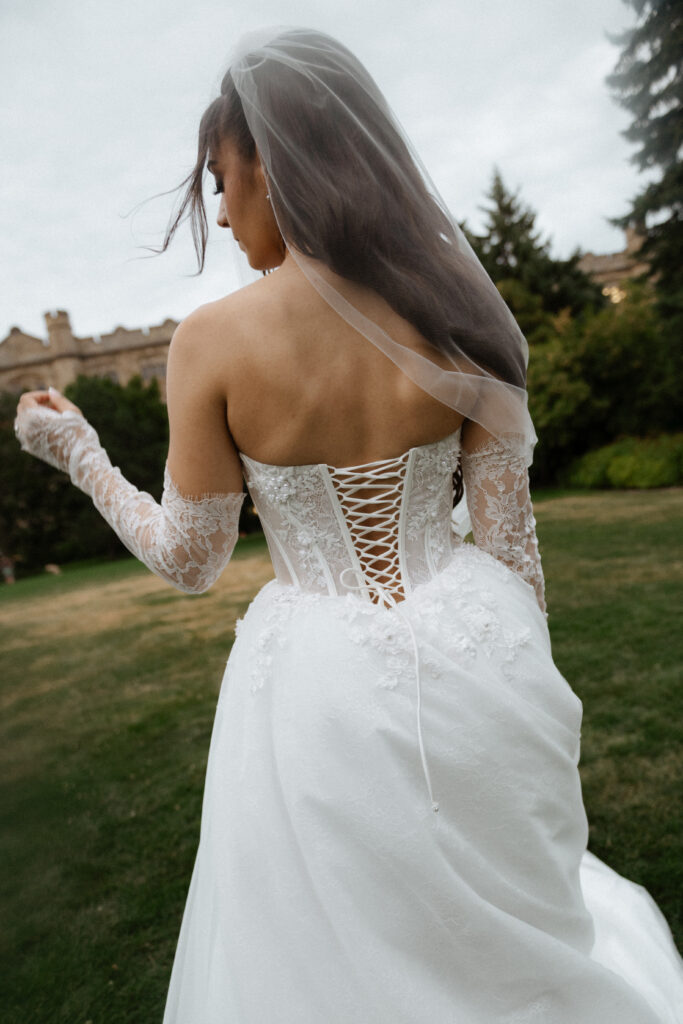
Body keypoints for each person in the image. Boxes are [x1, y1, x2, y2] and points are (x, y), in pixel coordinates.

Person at [14, 26, 682, 1024]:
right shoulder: (461, 311)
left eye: (223, 178)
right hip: (480, 651)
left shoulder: (212, 342)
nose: (221, 209)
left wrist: (81, 457)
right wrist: (518, 691)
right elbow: (510, 551)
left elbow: (190, 560)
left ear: (273, 165)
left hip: (315, 696)